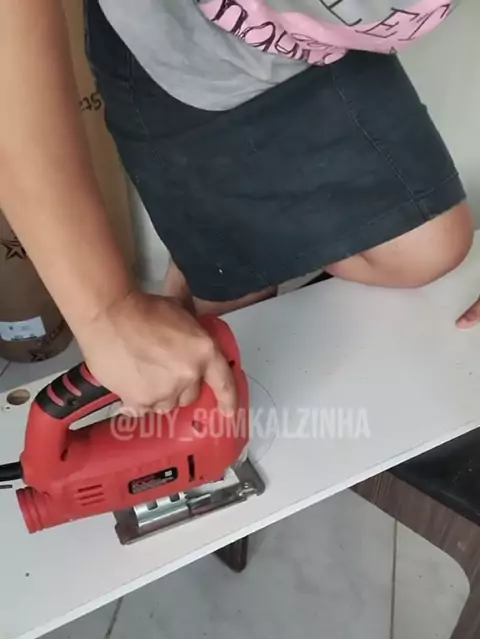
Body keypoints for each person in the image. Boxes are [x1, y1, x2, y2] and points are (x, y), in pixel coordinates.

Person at [0, 0, 477, 416]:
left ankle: (215, 238)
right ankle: (212, 247)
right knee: (234, 315)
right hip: (182, 51)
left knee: (430, 249)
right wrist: (107, 313)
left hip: (320, 33)